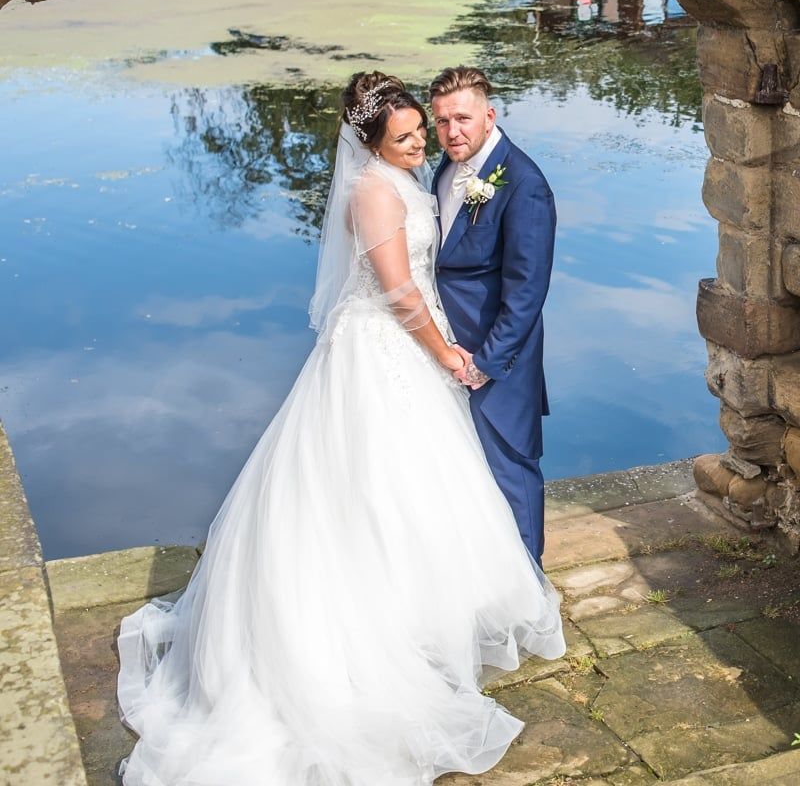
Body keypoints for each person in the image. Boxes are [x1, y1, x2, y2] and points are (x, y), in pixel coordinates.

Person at [116, 71, 565, 786]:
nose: (429, 143)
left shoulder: (458, 177)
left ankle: (457, 608)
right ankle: (373, 635)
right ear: (372, 144)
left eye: (432, 128)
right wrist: (447, 352)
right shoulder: (373, 191)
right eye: (411, 135)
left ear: (482, 116)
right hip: (385, 351)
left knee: (440, 483)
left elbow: (518, 282)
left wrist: (469, 355)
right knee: (367, 490)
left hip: (439, 355)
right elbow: (398, 292)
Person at [431, 67, 556, 566]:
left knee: (511, 470)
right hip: (444, 352)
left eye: (462, 118)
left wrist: (484, 362)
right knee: (461, 471)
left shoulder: (524, 184)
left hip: (494, 360)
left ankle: (531, 590)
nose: (451, 131)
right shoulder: (445, 168)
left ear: (489, 115)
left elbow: (526, 293)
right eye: (441, 121)